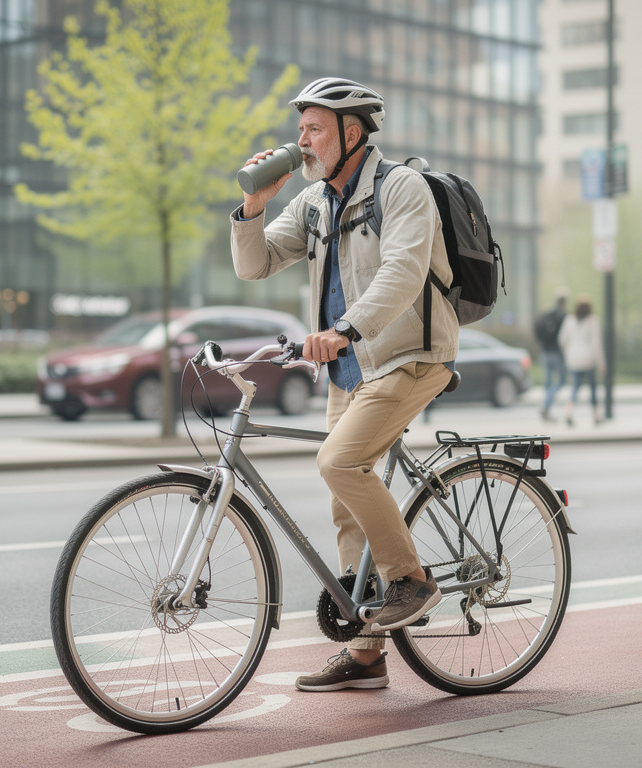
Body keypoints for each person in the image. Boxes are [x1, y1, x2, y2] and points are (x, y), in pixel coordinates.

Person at [230, 77, 458, 692]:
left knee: (339, 463)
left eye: (314, 129)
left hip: (409, 356)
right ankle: (366, 656)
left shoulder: (401, 188)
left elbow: (404, 271)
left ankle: (413, 579)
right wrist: (253, 206)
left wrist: (345, 330)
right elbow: (255, 264)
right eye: (300, 128)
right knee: (346, 504)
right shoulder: (313, 200)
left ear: (351, 133)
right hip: (348, 371)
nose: (300, 140)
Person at [559, 295, 604, 427]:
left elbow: (562, 340)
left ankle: (568, 413)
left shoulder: (569, 320)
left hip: (573, 359)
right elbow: (596, 344)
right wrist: (601, 362)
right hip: (588, 359)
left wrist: (567, 354)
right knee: (593, 388)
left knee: (575, 387)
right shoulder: (593, 321)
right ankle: (595, 416)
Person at [533, 290, 568, 421]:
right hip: (556, 353)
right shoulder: (563, 315)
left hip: (545, 352)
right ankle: (545, 405)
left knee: (548, 382)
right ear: (565, 302)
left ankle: (546, 409)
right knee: (561, 381)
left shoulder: (547, 314)